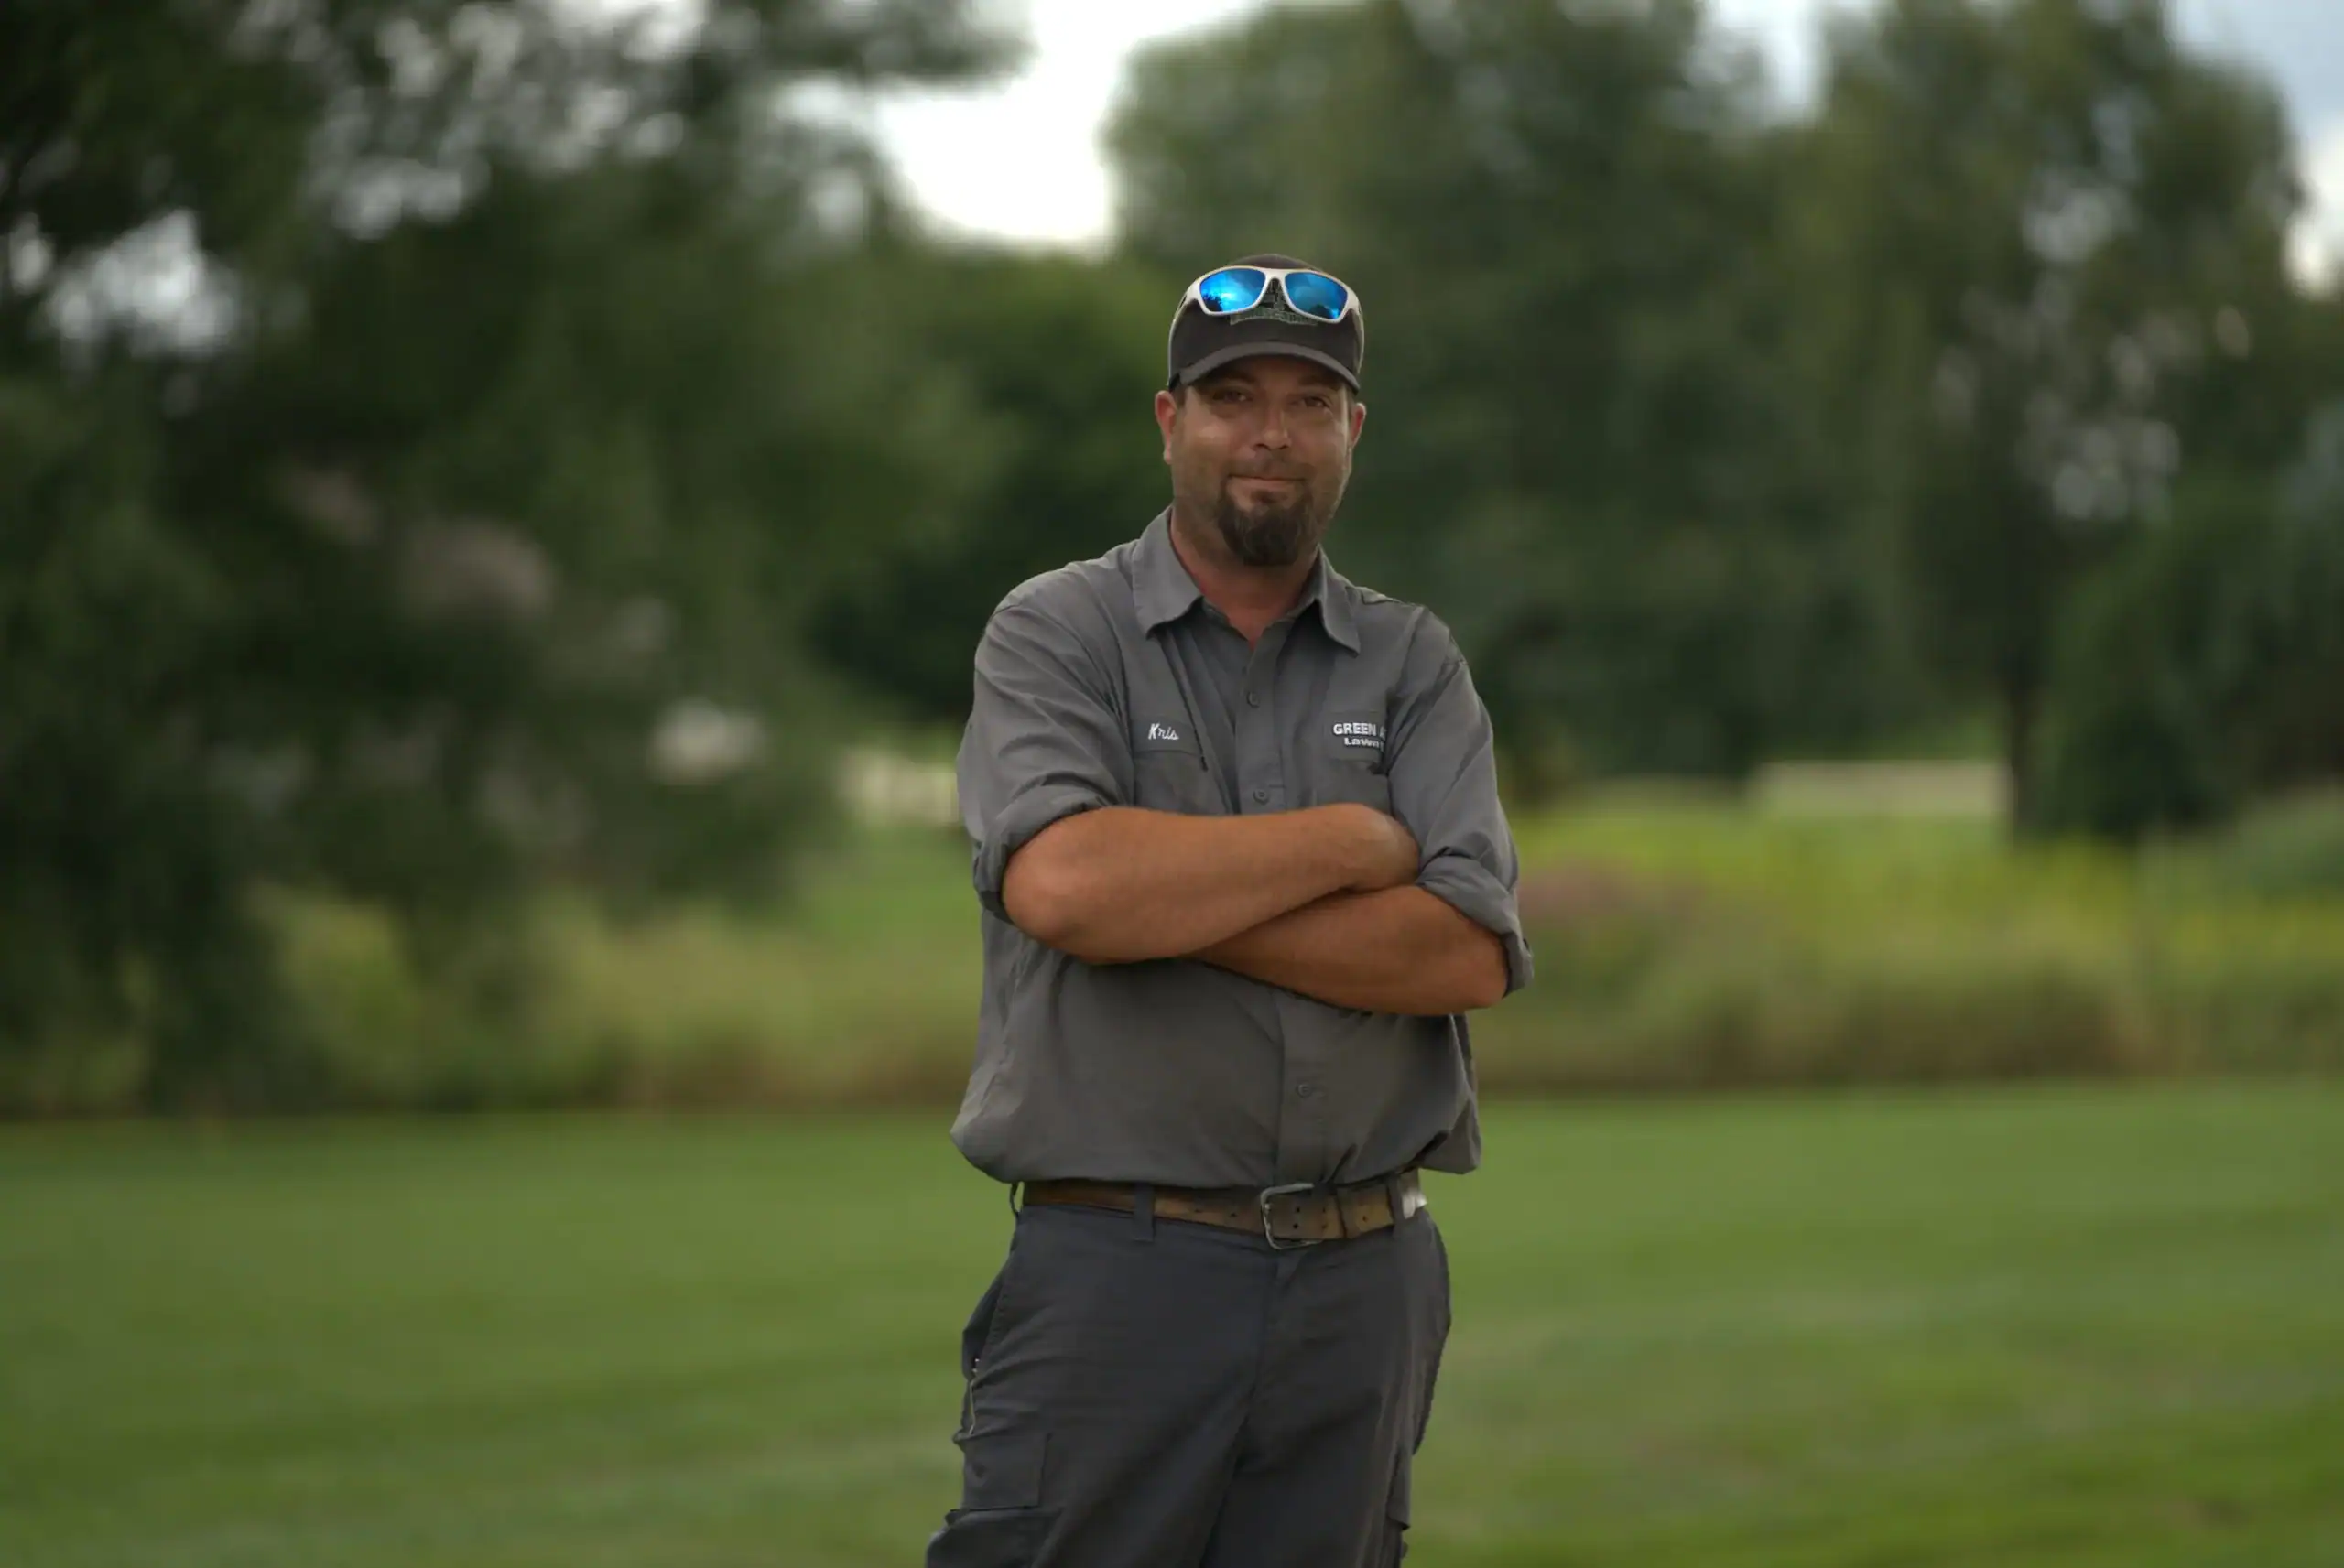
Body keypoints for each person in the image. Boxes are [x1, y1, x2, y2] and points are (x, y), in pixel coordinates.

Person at [928, 254, 1532, 1568]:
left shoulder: (1413, 661)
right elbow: (1067, 886)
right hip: (1119, 1274)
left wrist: (1169, 901)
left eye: (1311, 403)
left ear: (1352, 433)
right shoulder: (1057, 632)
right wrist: (1350, 842)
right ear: (1170, 420)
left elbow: (1466, 952)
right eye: (1232, 398)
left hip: (1363, 1282)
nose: (1271, 433)